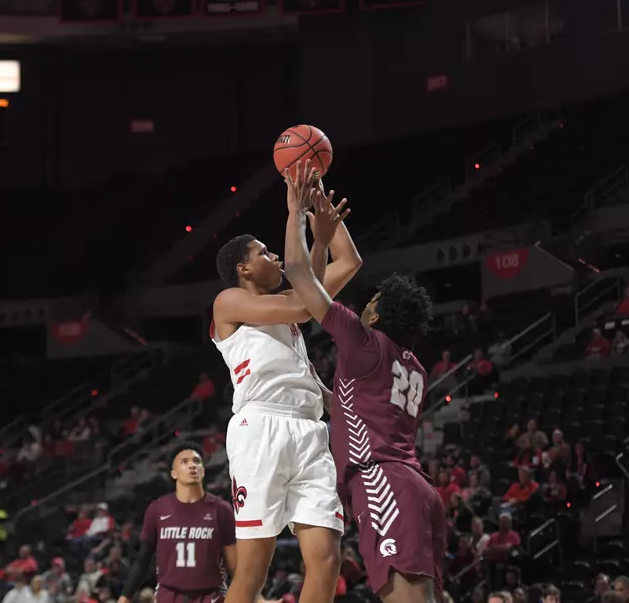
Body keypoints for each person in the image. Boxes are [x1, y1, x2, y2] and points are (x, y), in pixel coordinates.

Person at [282, 165, 443, 603]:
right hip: (417, 487)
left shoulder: (364, 341)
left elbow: (299, 274)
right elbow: (360, 411)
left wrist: (298, 211)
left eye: (368, 302)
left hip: (382, 481)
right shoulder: (413, 366)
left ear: (374, 314)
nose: (361, 305)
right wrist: (316, 386)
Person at [210, 159, 363, 603]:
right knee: (253, 571)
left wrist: (324, 220)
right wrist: (294, 213)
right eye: (264, 253)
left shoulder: (286, 299)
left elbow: (347, 261)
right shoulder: (229, 302)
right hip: (261, 428)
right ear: (242, 268)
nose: (274, 256)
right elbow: (303, 304)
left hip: (310, 430)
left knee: (327, 559)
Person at [118, 443, 268, 603]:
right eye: (184, 462)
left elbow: (236, 566)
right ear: (174, 473)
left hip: (211, 596)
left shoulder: (221, 510)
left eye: (196, 461)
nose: (192, 466)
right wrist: (124, 597)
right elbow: (143, 559)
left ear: (203, 470)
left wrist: (258, 598)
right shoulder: (157, 509)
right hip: (168, 596)